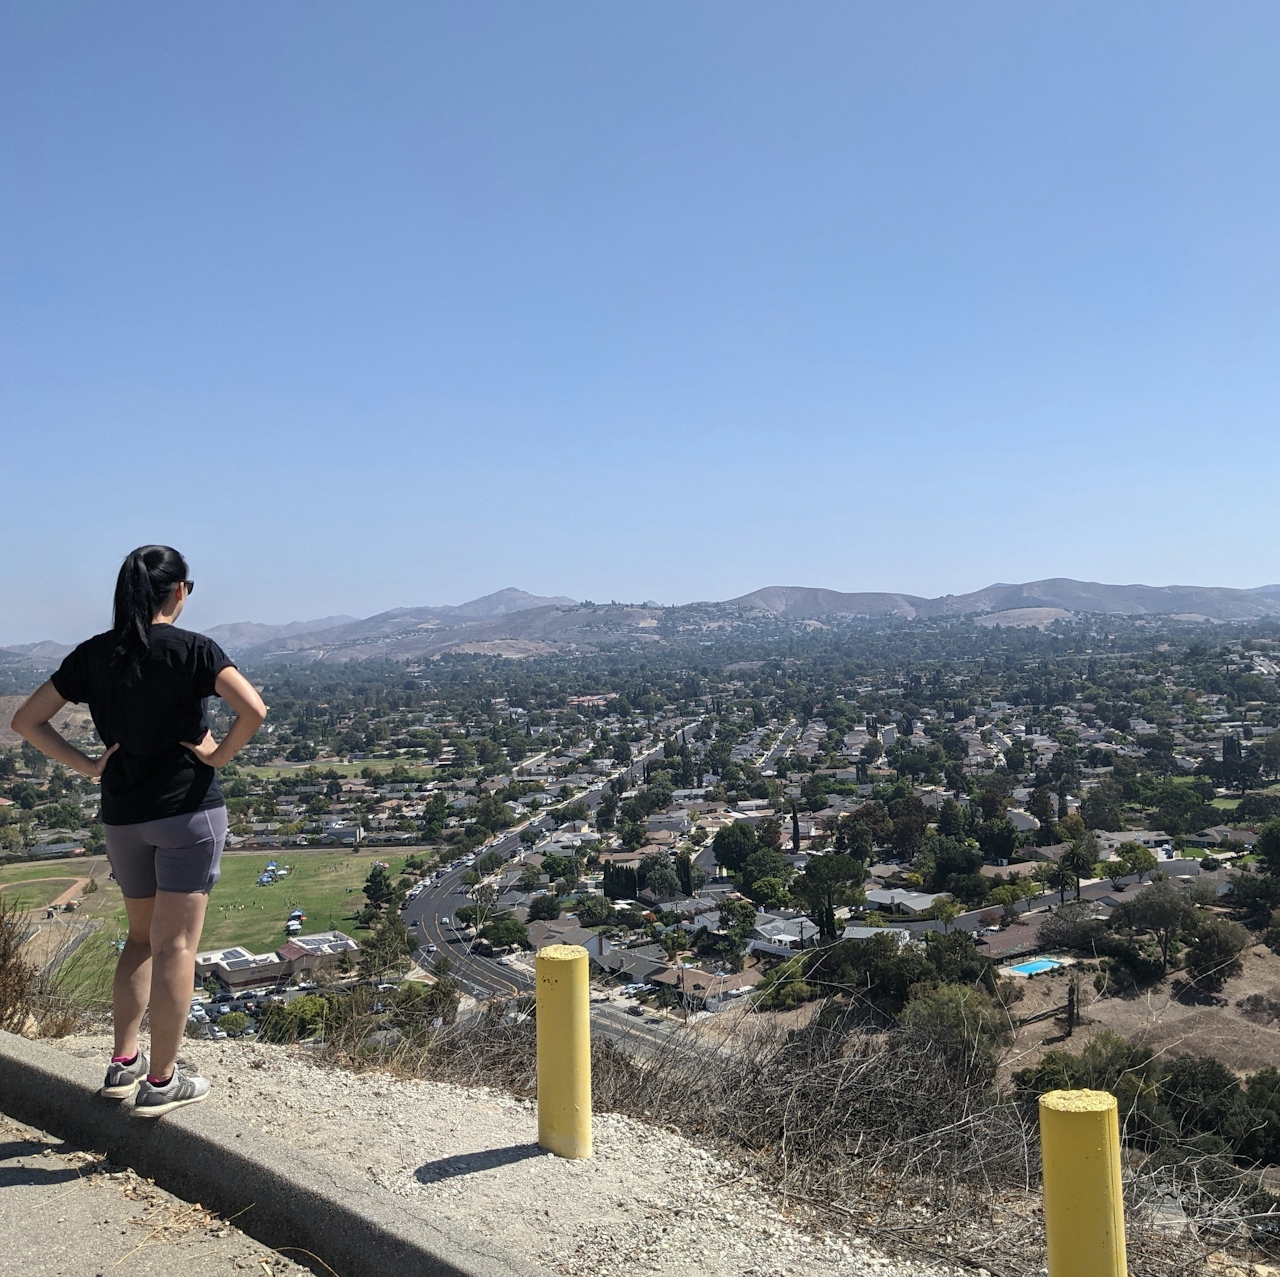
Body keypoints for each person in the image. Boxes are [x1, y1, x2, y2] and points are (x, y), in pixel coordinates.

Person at [10, 546, 266, 1116]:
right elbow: (254, 710)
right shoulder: (194, 649)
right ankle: (161, 1082)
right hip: (187, 812)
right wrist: (217, 755)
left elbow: (26, 721)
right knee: (178, 947)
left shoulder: (94, 655)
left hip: (123, 816)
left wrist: (91, 765)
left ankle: (121, 1064)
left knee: (140, 940)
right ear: (180, 591)